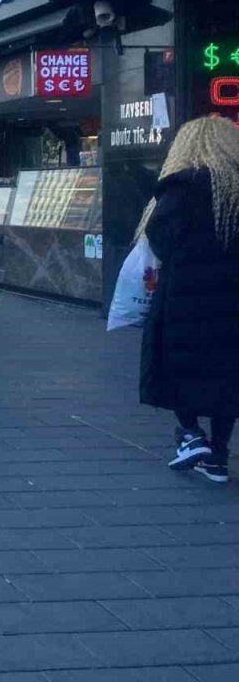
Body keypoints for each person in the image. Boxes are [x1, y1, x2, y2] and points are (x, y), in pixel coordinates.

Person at [139, 116, 239, 484]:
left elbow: (160, 239)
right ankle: (219, 456)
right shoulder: (235, 188)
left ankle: (191, 434)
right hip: (231, 300)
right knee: (227, 374)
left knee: (176, 364)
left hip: (183, 297)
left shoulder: (180, 187)